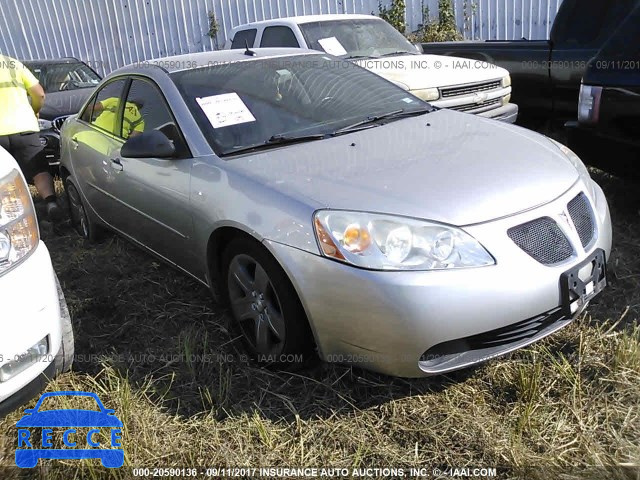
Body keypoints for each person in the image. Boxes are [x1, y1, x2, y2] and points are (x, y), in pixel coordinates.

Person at [0, 54, 62, 221]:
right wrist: (34, 110)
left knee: (3, 174)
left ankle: (12, 215)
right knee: (39, 168)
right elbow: (39, 94)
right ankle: (51, 203)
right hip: (24, 125)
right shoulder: (13, 64)